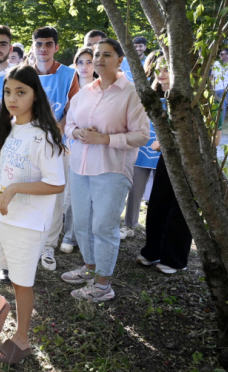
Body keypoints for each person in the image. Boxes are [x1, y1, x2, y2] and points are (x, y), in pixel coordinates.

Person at [0, 65, 66, 364]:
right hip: (1, 217)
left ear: (35, 96)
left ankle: (22, 339)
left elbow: (56, 183)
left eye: (21, 92)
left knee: (21, 283)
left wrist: (13, 191)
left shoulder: (44, 137)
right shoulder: (10, 126)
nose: (12, 98)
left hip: (28, 224)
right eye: (8, 91)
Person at [61, 38, 149, 302]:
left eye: (106, 54)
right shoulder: (85, 91)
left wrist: (105, 139)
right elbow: (68, 125)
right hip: (79, 167)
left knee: (103, 226)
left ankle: (103, 285)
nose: (99, 59)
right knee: (83, 223)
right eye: (96, 54)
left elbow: (142, 135)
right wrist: (76, 131)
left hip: (111, 169)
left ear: (120, 60)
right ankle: (89, 268)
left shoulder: (131, 93)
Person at [137, 52, 193, 274]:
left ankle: (175, 259)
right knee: (158, 203)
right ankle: (153, 251)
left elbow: (214, 138)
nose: (161, 74)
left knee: (180, 208)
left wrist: (168, 141)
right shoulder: (162, 98)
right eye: (158, 69)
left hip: (191, 161)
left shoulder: (197, 99)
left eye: (166, 69)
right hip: (166, 157)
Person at [32, 26, 79, 271]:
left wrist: (56, 130)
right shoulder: (23, 72)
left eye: (48, 44)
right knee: (24, 193)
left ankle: (49, 245)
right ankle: (26, 243)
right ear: (33, 46)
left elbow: (73, 110)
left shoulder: (69, 75)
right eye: (39, 44)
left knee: (54, 196)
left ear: (56, 47)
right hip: (27, 144)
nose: (43, 48)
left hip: (57, 144)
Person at [120, 50, 163, 239]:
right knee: (135, 189)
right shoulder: (144, 92)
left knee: (161, 193)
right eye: (156, 68)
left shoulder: (176, 94)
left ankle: (156, 230)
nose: (160, 73)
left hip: (164, 151)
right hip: (143, 149)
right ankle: (129, 225)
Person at [60, 46, 97, 254]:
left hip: (92, 147)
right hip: (68, 145)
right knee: (68, 194)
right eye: (80, 62)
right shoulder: (68, 86)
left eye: (89, 61)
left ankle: (76, 235)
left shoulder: (102, 88)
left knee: (87, 194)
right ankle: (66, 233)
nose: (84, 66)